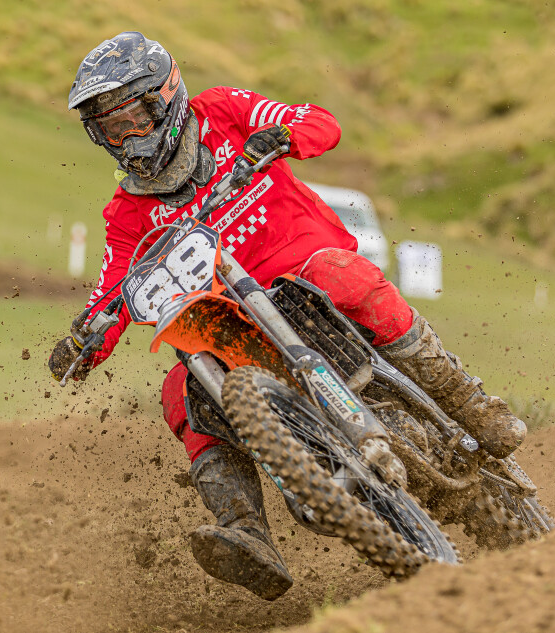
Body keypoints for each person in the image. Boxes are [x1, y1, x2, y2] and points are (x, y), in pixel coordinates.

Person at [47, 32, 527, 600]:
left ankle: (469, 402)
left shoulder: (224, 112)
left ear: (166, 98)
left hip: (303, 270)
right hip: (227, 322)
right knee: (178, 388)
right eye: (112, 129)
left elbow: (319, 122)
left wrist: (282, 136)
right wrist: (86, 338)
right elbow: (112, 290)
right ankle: (245, 530)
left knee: (343, 275)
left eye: (136, 119)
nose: (129, 137)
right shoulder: (127, 213)